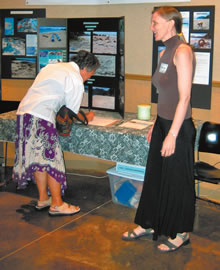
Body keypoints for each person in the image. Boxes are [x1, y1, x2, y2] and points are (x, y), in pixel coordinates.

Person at [122, 6, 196, 252]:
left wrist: (172, 134)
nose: (151, 27)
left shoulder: (182, 51)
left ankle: (180, 233)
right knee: (154, 178)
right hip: (164, 124)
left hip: (179, 127)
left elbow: (184, 98)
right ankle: (149, 222)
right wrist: (156, 124)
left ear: (171, 24)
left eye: (155, 22)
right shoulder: (165, 51)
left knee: (177, 182)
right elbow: (164, 94)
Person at [12, 50, 100, 216]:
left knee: (39, 159)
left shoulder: (52, 67)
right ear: (86, 70)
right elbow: (67, 116)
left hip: (23, 114)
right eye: (91, 74)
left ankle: (44, 198)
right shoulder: (76, 79)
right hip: (41, 118)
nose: (88, 78)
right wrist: (87, 117)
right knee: (52, 160)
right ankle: (57, 204)